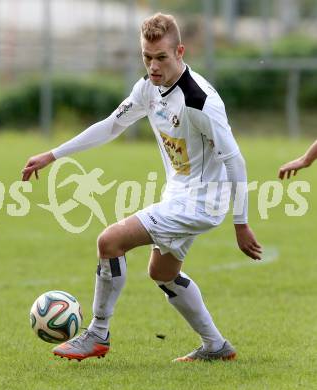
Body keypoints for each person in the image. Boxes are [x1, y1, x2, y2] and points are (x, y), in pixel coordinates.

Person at [22, 13, 262, 362]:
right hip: (179, 194)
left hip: (200, 203)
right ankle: (216, 346)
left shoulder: (200, 102)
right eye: (147, 57)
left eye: (161, 57)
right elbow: (110, 127)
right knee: (162, 273)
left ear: (180, 52)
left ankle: (97, 334)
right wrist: (53, 155)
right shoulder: (148, 88)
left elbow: (235, 161)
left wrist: (241, 224)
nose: (153, 66)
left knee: (110, 241)